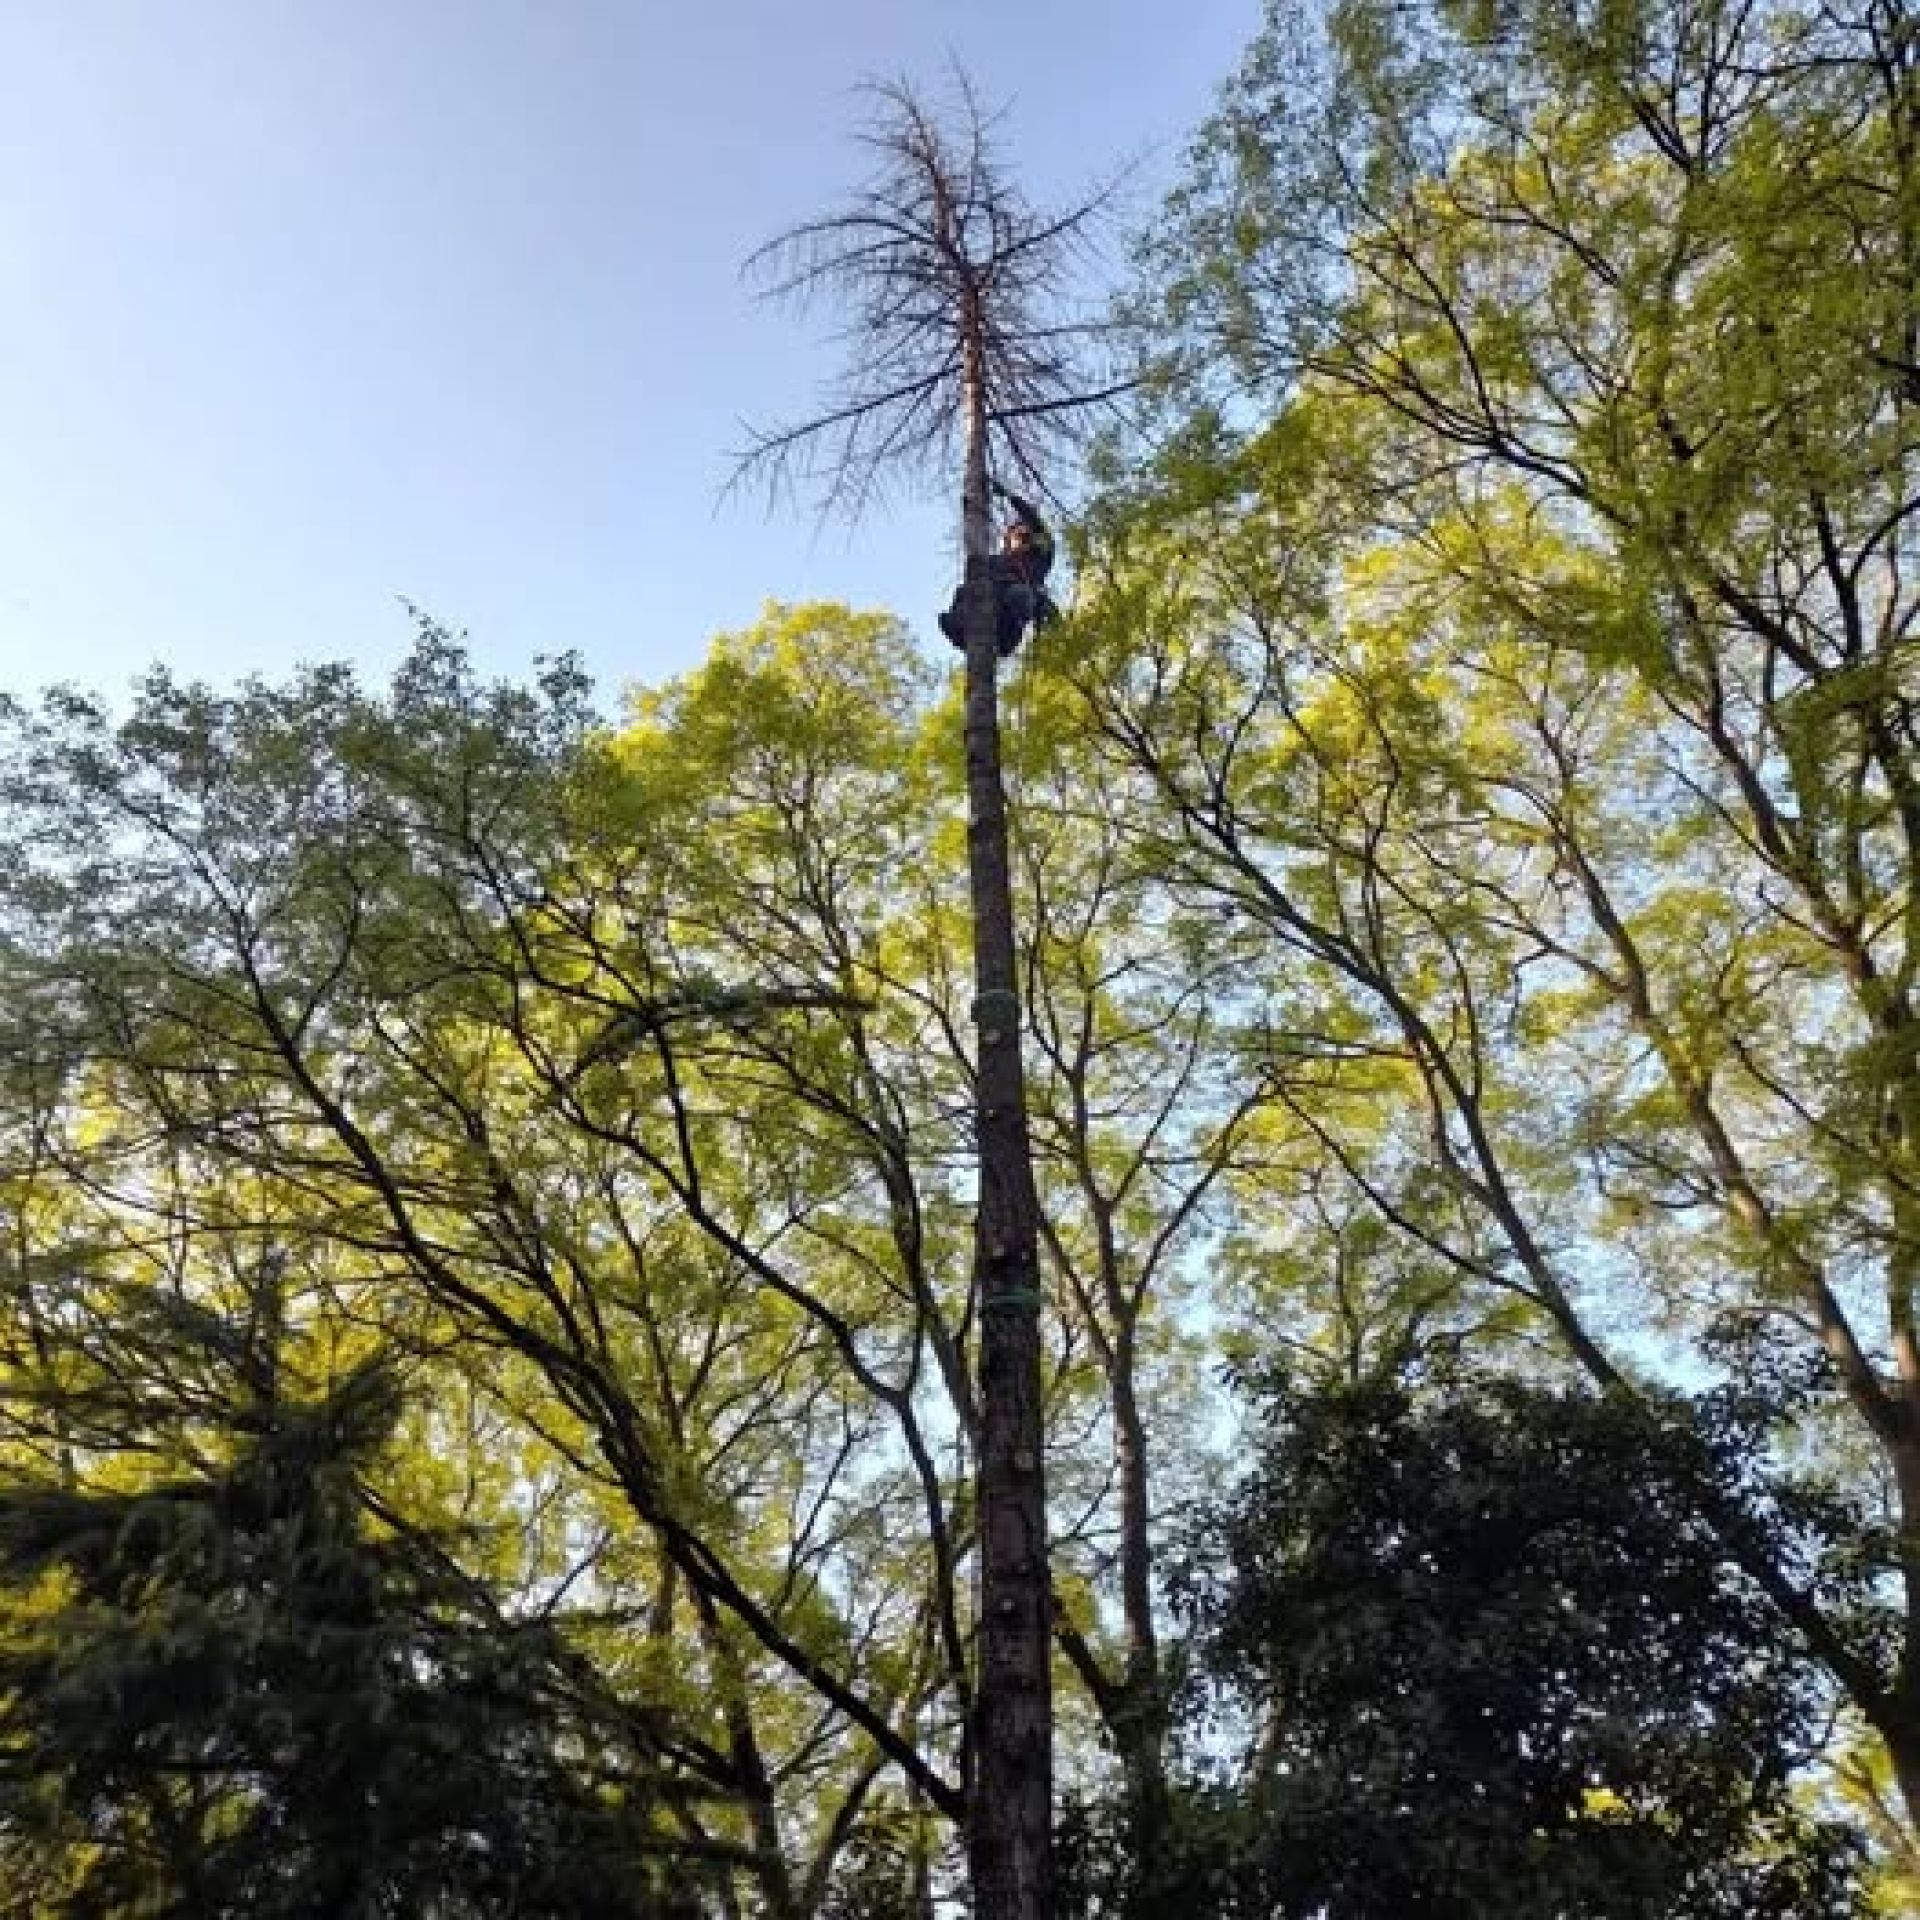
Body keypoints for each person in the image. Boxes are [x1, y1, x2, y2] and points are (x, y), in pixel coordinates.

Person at [939, 480, 1061, 657]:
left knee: (1019, 594)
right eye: (1016, 535)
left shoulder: (1039, 560)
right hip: (987, 611)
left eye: (1025, 535)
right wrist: (972, 511)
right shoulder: (995, 562)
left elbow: (1040, 529)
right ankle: (962, 629)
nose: (1021, 539)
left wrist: (1011, 497)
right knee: (962, 591)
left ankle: (998, 636)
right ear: (1008, 539)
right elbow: (974, 566)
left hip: (1011, 618)